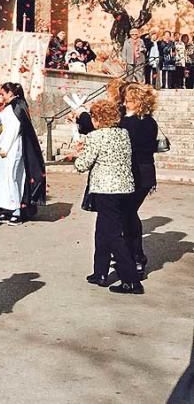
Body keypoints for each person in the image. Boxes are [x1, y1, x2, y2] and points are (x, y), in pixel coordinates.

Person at [74, 100, 142, 294]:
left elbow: (82, 165)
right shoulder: (123, 134)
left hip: (106, 190)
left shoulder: (96, 137)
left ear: (97, 119)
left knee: (112, 235)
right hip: (124, 188)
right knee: (102, 231)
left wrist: (77, 155)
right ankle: (100, 272)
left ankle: (131, 280)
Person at [0, 82, 44, 224]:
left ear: (11, 93)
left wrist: (4, 147)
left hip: (11, 147)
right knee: (5, 177)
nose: (2, 97)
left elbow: (13, 128)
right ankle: (8, 208)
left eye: (3, 94)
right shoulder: (14, 106)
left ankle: (16, 210)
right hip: (8, 146)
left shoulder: (15, 107)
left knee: (11, 177)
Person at [119, 84, 158, 280]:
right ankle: (133, 256)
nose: (125, 103)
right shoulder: (150, 122)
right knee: (129, 213)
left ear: (139, 103)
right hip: (146, 175)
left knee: (127, 214)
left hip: (135, 174)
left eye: (129, 100)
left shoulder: (131, 123)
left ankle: (136, 257)